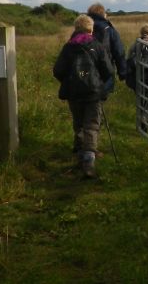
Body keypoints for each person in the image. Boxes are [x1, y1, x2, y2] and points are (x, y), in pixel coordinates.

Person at [53, 14, 114, 178]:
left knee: (79, 124)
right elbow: (108, 71)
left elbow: (58, 70)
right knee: (92, 125)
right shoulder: (97, 45)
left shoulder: (68, 47)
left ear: (76, 28)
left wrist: (69, 81)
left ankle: (80, 155)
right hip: (93, 93)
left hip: (73, 93)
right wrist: (98, 81)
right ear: (91, 28)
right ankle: (88, 162)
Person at [86, 3, 127, 98]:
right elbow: (118, 52)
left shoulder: (82, 28)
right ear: (103, 14)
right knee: (99, 101)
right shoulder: (109, 29)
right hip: (105, 70)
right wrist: (123, 73)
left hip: (84, 70)